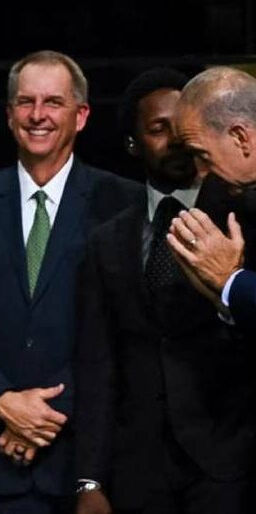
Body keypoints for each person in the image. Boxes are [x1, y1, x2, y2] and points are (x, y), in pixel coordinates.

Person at [0, 50, 140, 513]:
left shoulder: (123, 204)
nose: (37, 115)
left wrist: (43, 415)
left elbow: (128, 331)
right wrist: (2, 404)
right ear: (9, 115)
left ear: (81, 116)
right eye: (26, 102)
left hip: (91, 464)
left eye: (53, 103)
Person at [74, 69, 255, 514]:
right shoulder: (107, 240)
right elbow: (99, 361)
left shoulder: (244, 214)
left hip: (230, 463)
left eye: (186, 132)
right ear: (133, 143)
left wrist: (229, 284)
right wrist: (89, 478)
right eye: (160, 129)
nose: (177, 143)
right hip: (140, 468)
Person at [166, 66, 256, 330]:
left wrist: (229, 279)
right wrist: (219, 297)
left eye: (201, 155)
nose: (201, 172)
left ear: (240, 138)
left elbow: (230, 281)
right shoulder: (223, 199)